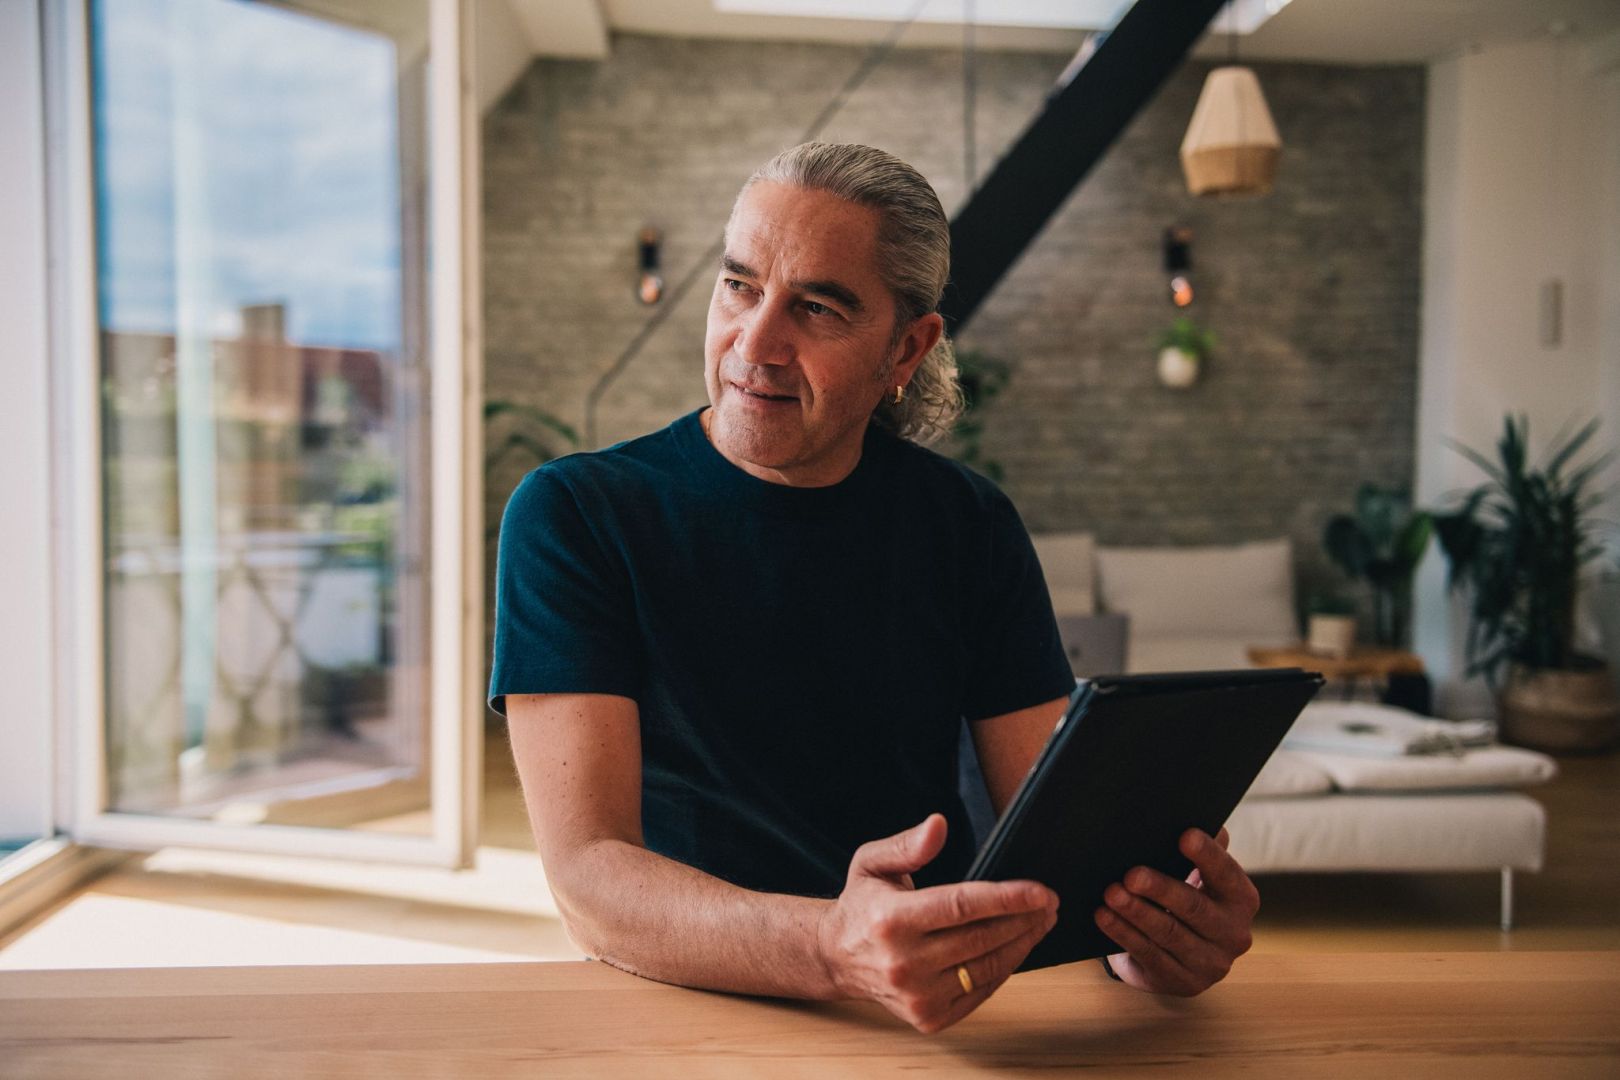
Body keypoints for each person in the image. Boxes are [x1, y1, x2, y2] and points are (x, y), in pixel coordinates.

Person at [491, 142, 1259, 1034]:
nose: (757, 343)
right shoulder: (576, 514)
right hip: (675, 1003)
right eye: (740, 286)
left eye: (816, 307)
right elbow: (588, 877)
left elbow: (1062, 841)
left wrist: (1147, 937)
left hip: (929, 1009)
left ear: (907, 347)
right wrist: (831, 946)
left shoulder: (969, 526)